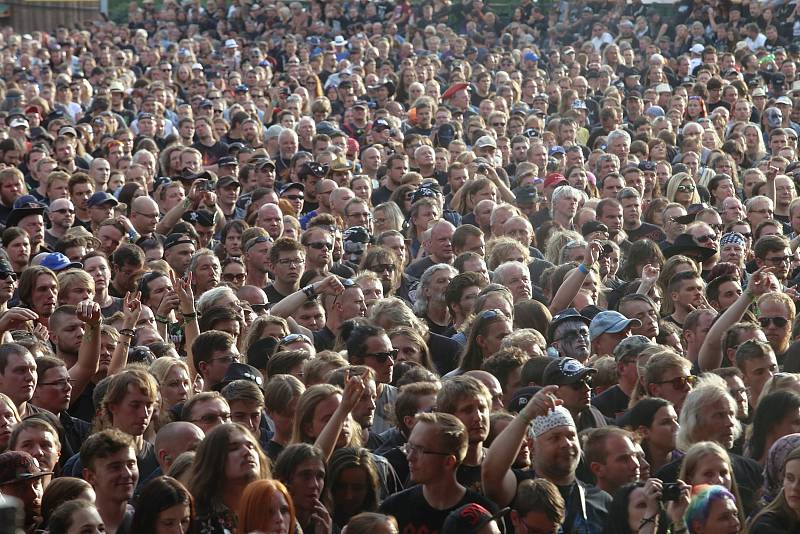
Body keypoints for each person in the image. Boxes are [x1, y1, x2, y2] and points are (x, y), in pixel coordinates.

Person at [378, 412, 498, 533]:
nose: (409, 457)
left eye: (420, 450)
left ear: (449, 462)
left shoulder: (482, 515)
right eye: (409, 447)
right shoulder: (394, 508)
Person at [189, 423, 270, 534]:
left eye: (251, 446)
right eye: (233, 448)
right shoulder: (195, 517)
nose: (247, 452)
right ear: (213, 460)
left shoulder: (275, 507)